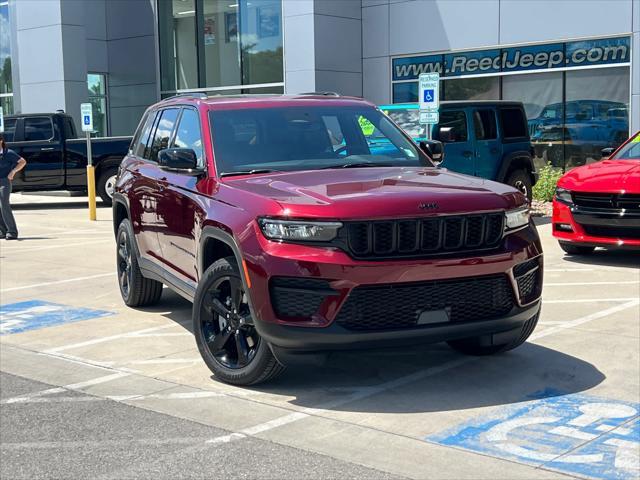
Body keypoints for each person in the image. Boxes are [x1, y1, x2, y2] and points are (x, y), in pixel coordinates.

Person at [0, 134, 27, 240]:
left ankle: (12, 232)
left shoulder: (9, 153)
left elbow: (22, 162)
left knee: (4, 205)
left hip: (4, 183)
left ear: (1, 141)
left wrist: (13, 171)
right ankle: (3, 231)